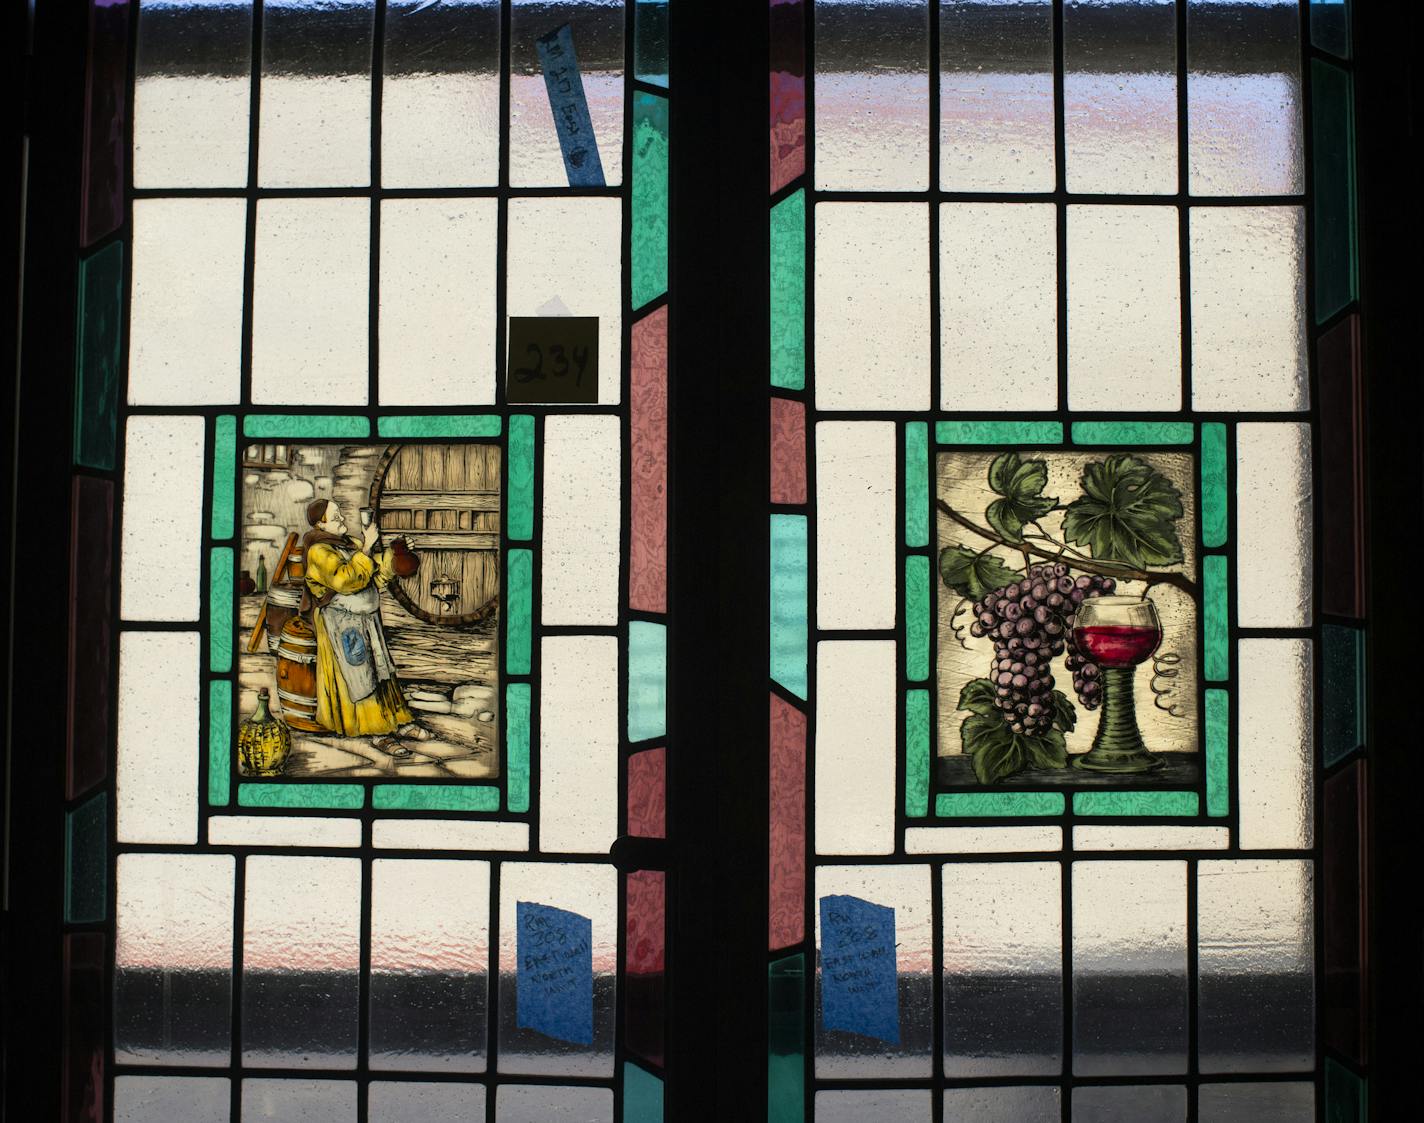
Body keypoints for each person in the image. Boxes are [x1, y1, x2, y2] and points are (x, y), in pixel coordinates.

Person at [300, 498, 431, 756]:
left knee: (381, 670)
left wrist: (396, 555)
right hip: (342, 625)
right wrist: (368, 546)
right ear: (319, 523)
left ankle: (398, 720)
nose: (341, 520)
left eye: (339, 514)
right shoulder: (318, 551)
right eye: (335, 516)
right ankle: (377, 732)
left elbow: (373, 574)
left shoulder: (350, 546)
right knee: (360, 676)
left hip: (366, 620)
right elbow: (346, 580)